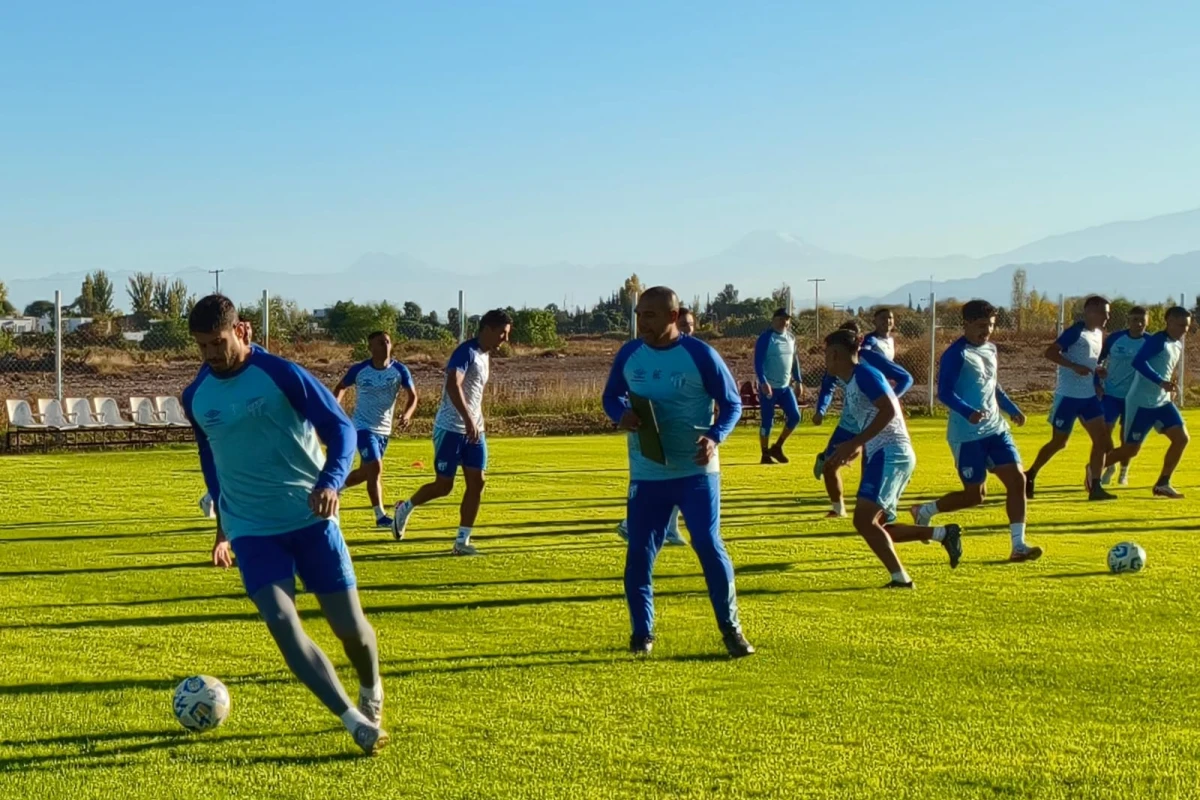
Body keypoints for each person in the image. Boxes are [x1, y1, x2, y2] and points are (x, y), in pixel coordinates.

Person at [180, 295, 388, 756]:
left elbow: (341, 429)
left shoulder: (281, 374)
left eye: (218, 343)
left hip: (310, 519)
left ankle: (371, 687)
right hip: (252, 529)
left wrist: (331, 482)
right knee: (280, 619)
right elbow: (212, 460)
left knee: (350, 629)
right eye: (202, 346)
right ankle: (352, 720)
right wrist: (222, 528)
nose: (211, 354)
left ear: (241, 331)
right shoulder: (196, 396)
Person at [602, 286, 753, 657]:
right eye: (638, 315)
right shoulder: (630, 354)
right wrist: (621, 414)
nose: (641, 323)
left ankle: (731, 630)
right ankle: (642, 636)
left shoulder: (700, 354)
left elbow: (732, 403)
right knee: (640, 552)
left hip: (696, 471)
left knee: (708, 544)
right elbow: (610, 396)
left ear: (672, 316)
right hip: (647, 472)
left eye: (650, 315)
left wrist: (715, 437)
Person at [823, 329, 962, 588]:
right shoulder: (853, 381)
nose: (825, 360)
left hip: (891, 452)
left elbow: (888, 410)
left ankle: (901, 579)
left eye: (826, 354)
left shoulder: (865, 374)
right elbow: (872, 417)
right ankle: (943, 534)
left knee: (864, 521)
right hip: (884, 452)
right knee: (878, 527)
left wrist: (855, 442)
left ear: (835, 354)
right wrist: (856, 447)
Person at [910, 300, 1042, 562]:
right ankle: (924, 511)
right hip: (967, 436)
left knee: (1018, 480)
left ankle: (1018, 545)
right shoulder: (956, 354)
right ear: (966, 324)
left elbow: (992, 385)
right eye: (982, 325)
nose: (987, 331)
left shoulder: (991, 349)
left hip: (996, 429)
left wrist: (1012, 409)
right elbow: (944, 393)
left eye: (991, 325)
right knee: (975, 496)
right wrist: (968, 411)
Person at [391, 310, 512, 554]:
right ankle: (405, 507)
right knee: (444, 486)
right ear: (488, 329)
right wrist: (467, 419)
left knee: (477, 482)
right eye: (502, 333)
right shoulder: (466, 352)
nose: (505, 339)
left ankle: (461, 542)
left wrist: (474, 422)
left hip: (475, 430)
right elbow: (452, 384)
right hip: (451, 428)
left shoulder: (485, 355)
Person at [813, 321, 913, 518]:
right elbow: (827, 388)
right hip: (861, 431)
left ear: (836, 353)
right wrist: (822, 410)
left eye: (826, 353)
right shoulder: (849, 377)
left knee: (869, 518)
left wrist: (888, 398)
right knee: (868, 520)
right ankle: (839, 509)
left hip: (888, 448)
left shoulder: (865, 370)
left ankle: (931, 522)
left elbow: (890, 406)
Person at [615, 307, 695, 546]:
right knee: (658, 478)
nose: (688, 329)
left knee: (680, 476)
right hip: (655, 430)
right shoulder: (643, 353)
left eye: (691, 325)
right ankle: (632, 523)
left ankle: (669, 527)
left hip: (684, 433)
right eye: (683, 325)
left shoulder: (694, 354)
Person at [1024, 295, 1115, 501]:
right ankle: (1030, 474)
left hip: (1089, 397)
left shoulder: (1098, 334)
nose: (1107, 317)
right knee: (1059, 443)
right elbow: (1050, 353)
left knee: (1101, 441)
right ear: (1089, 312)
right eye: (1103, 313)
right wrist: (1073, 366)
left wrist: (1096, 371)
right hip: (1068, 397)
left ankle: (1096, 486)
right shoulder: (1075, 332)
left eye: (1108, 313)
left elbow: (1089, 361)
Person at [1103, 306, 1192, 499]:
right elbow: (1138, 362)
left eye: (1187, 326)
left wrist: (1169, 386)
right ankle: (1094, 469)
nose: (1185, 329)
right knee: (1130, 450)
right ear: (1169, 322)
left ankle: (1163, 483)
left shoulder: (1176, 344)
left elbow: (1164, 368)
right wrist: (1160, 381)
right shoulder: (1158, 341)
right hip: (1141, 402)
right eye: (1181, 325)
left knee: (1182, 438)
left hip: (1162, 402)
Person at [333, 331, 418, 528]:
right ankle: (380, 516)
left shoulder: (399, 370)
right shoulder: (360, 370)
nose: (385, 345)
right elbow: (340, 387)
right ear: (370, 348)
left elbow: (413, 396)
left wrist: (407, 415)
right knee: (376, 467)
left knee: (366, 472)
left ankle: (335, 488)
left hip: (384, 430)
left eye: (387, 342)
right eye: (380, 343)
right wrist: (335, 409)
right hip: (362, 427)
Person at [1096, 307, 1148, 486]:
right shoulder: (1115, 338)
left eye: (1142, 320)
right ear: (1128, 321)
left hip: (1134, 398)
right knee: (1104, 431)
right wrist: (1096, 381)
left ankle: (1124, 471)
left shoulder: (1150, 342)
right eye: (1135, 320)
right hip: (1111, 394)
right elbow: (1097, 360)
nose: (1138, 324)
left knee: (1126, 437)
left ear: (1147, 321)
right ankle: (1110, 465)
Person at [754, 309, 802, 464]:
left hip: (785, 387)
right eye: (781, 319)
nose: (784, 322)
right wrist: (763, 382)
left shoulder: (791, 338)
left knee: (795, 416)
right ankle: (765, 454)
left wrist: (798, 381)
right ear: (774, 320)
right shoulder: (766, 338)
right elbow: (758, 362)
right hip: (769, 387)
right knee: (768, 421)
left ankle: (778, 446)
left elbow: (794, 361)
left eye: (787, 319)